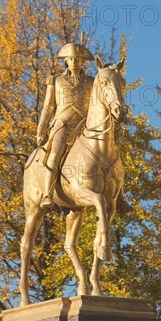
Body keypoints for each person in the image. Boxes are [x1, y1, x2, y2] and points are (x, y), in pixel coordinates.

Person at [37, 42, 94, 208]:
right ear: (66, 61)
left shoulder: (92, 82)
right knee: (55, 152)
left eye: (77, 58)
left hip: (85, 127)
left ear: (83, 61)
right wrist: (41, 130)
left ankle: (117, 196)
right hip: (64, 125)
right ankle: (47, 193)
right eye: (71, 58)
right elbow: (48, 108)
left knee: (108, 151)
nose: (74, 61)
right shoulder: (56, 81)